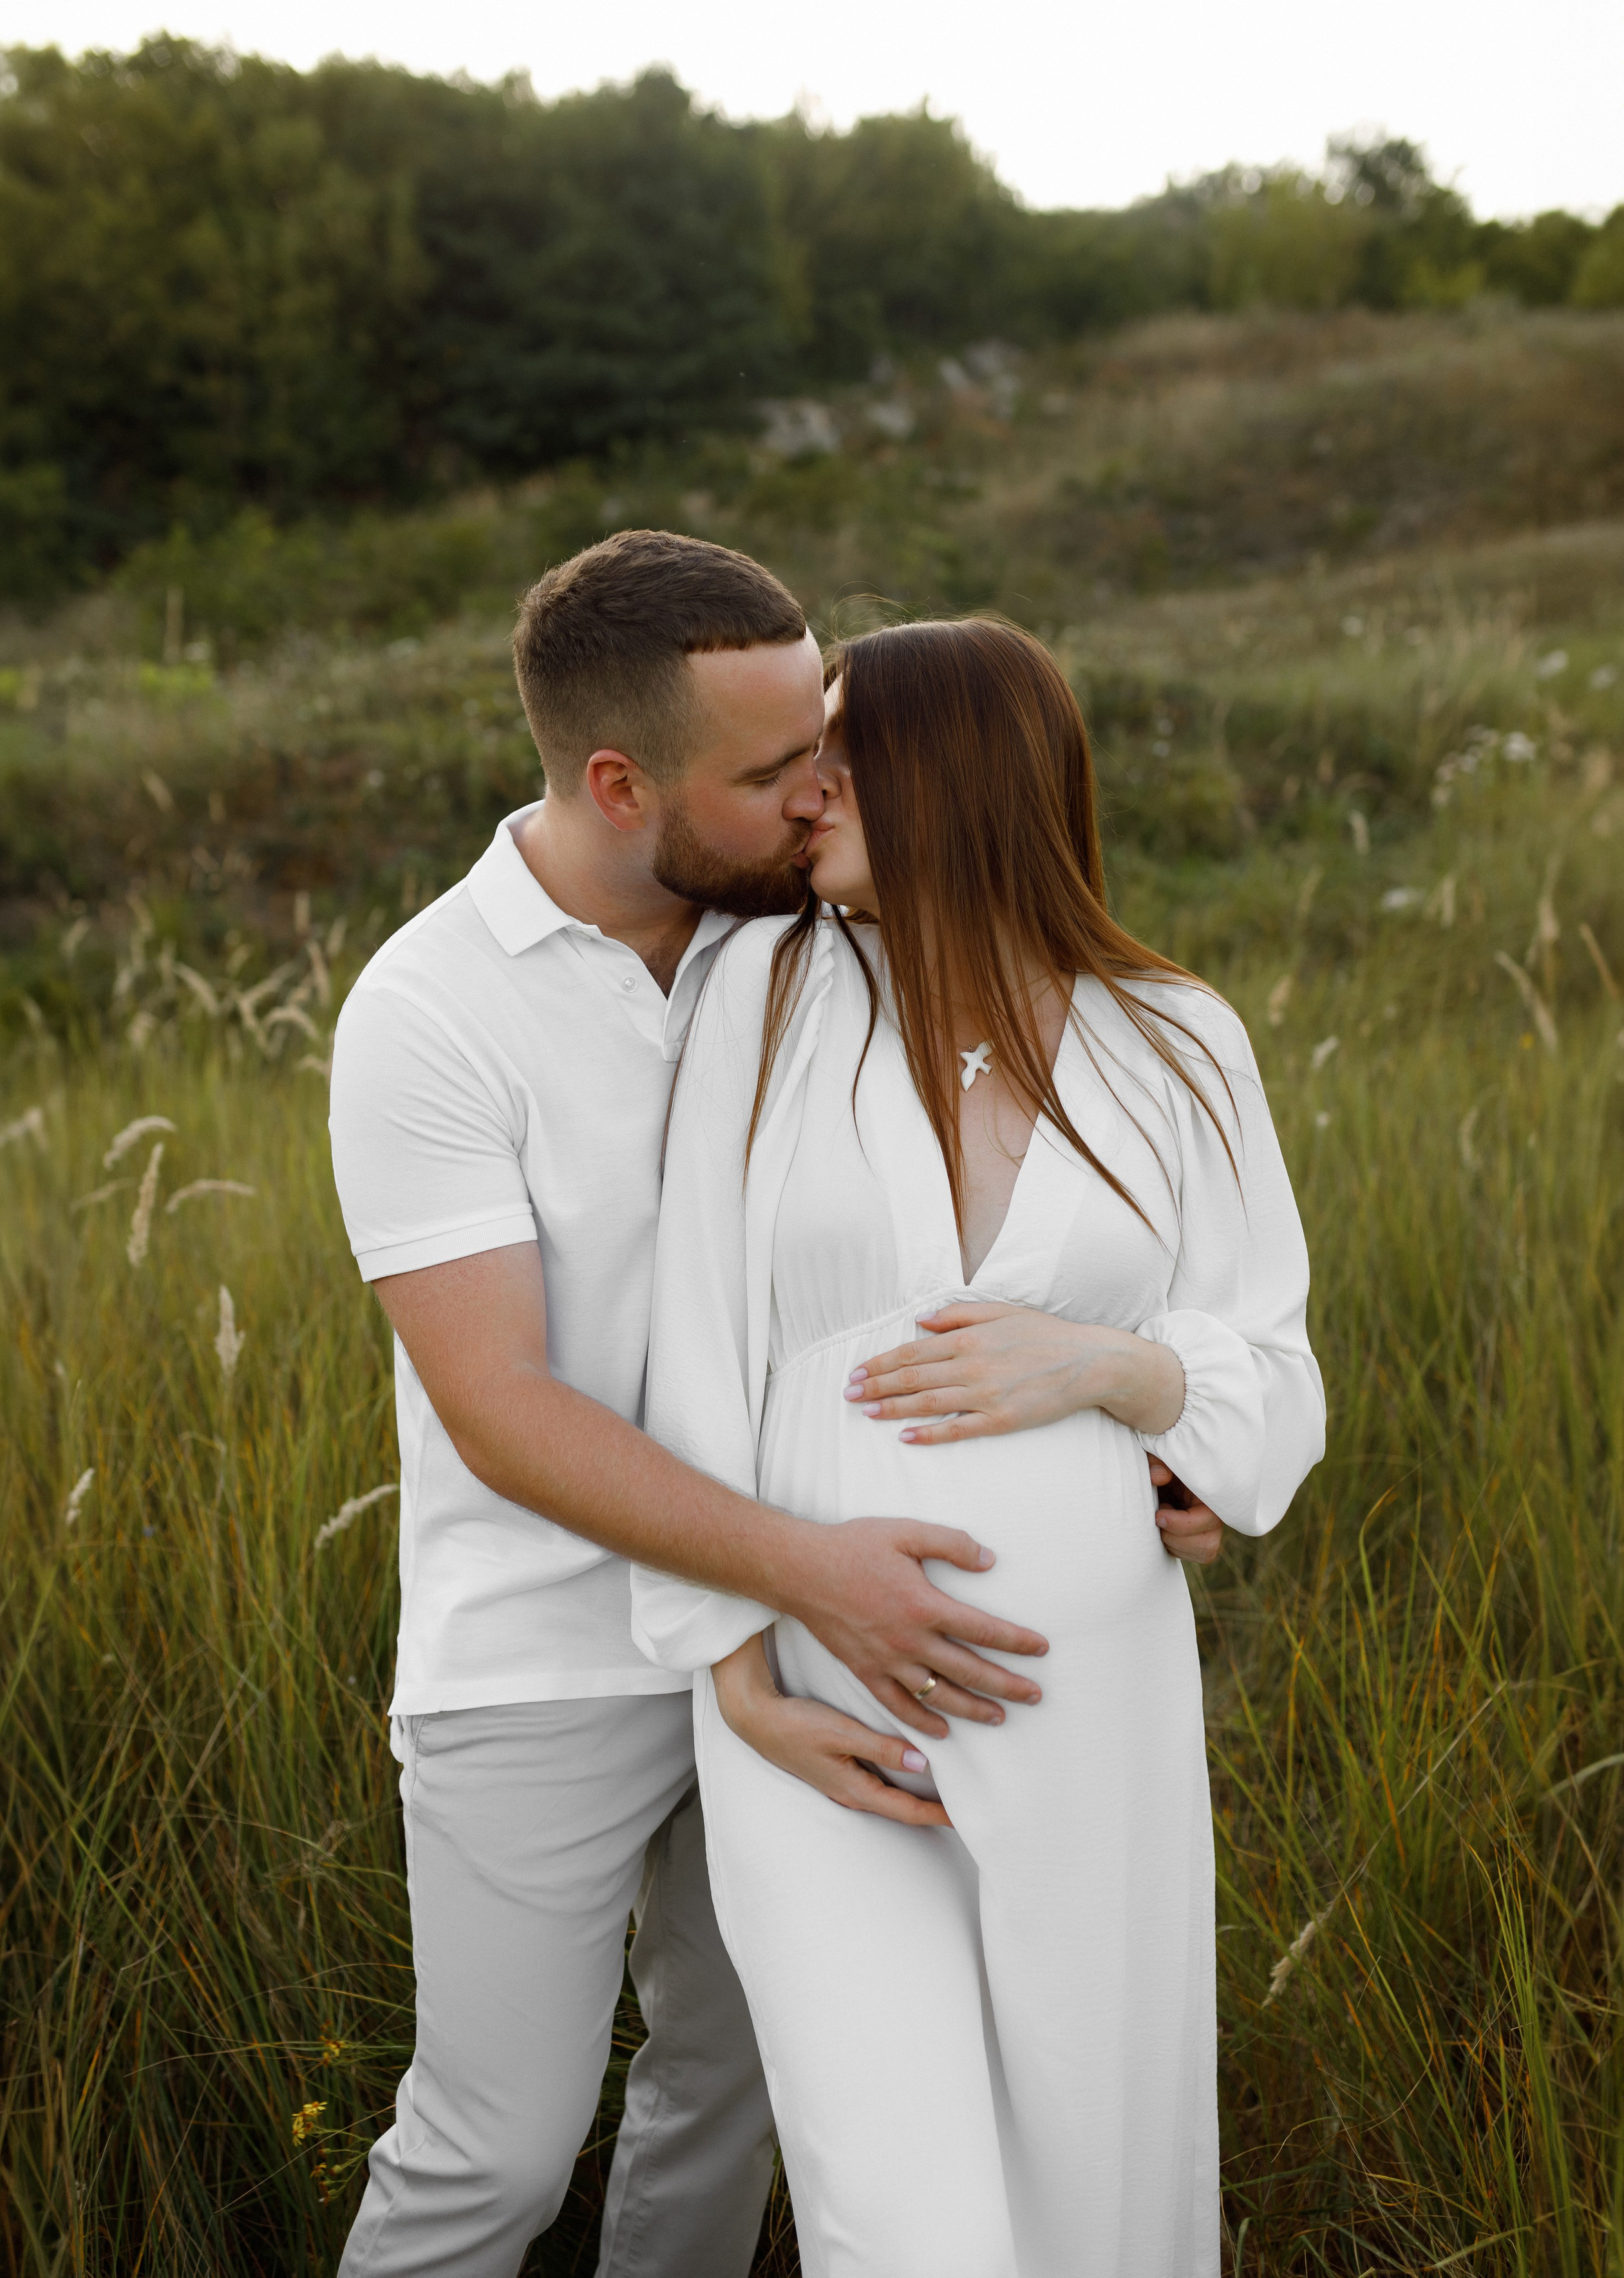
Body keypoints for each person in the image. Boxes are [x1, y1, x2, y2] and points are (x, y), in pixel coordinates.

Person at [328, 534, 1223, 2278]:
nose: (826, 787)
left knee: (735, 2109)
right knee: (495, 2149)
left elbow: (999, 1229)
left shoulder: (829, 943)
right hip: (548, 1658)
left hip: (822, 1664)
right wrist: (800, 1573)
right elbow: (501, 1405)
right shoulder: (430, 1013)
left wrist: (1143, 1434)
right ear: (619, 782)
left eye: (825, 737)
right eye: (774, 772)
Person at [633, 617, 1326, 2277]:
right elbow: (695, 1357)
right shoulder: (761, 994)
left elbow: (1273, 1378)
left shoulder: (1176, 1042)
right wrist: (736, 1679)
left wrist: (1119, 1370)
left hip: (1093, 1713)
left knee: (1100, 2185)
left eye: (845, 750)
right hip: (821, 1723)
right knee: (910, 2221)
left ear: (956, 777)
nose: (810, 793)